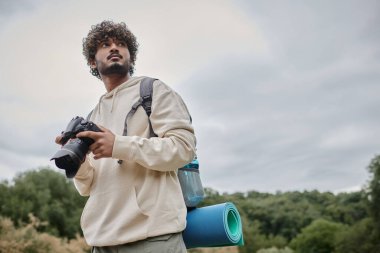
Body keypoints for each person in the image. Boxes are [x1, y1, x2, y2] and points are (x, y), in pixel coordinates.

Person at [56, 20, 195, 253]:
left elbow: (183, 148)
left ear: (130, 55)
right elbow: (87, 187)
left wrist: (118, 145)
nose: (114, 48)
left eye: (121, 44)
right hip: (102, 242)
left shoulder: (153, 91)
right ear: (92, 61)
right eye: (105, 44)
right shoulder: (93, 115)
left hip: (154, 238)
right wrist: (78, 163)